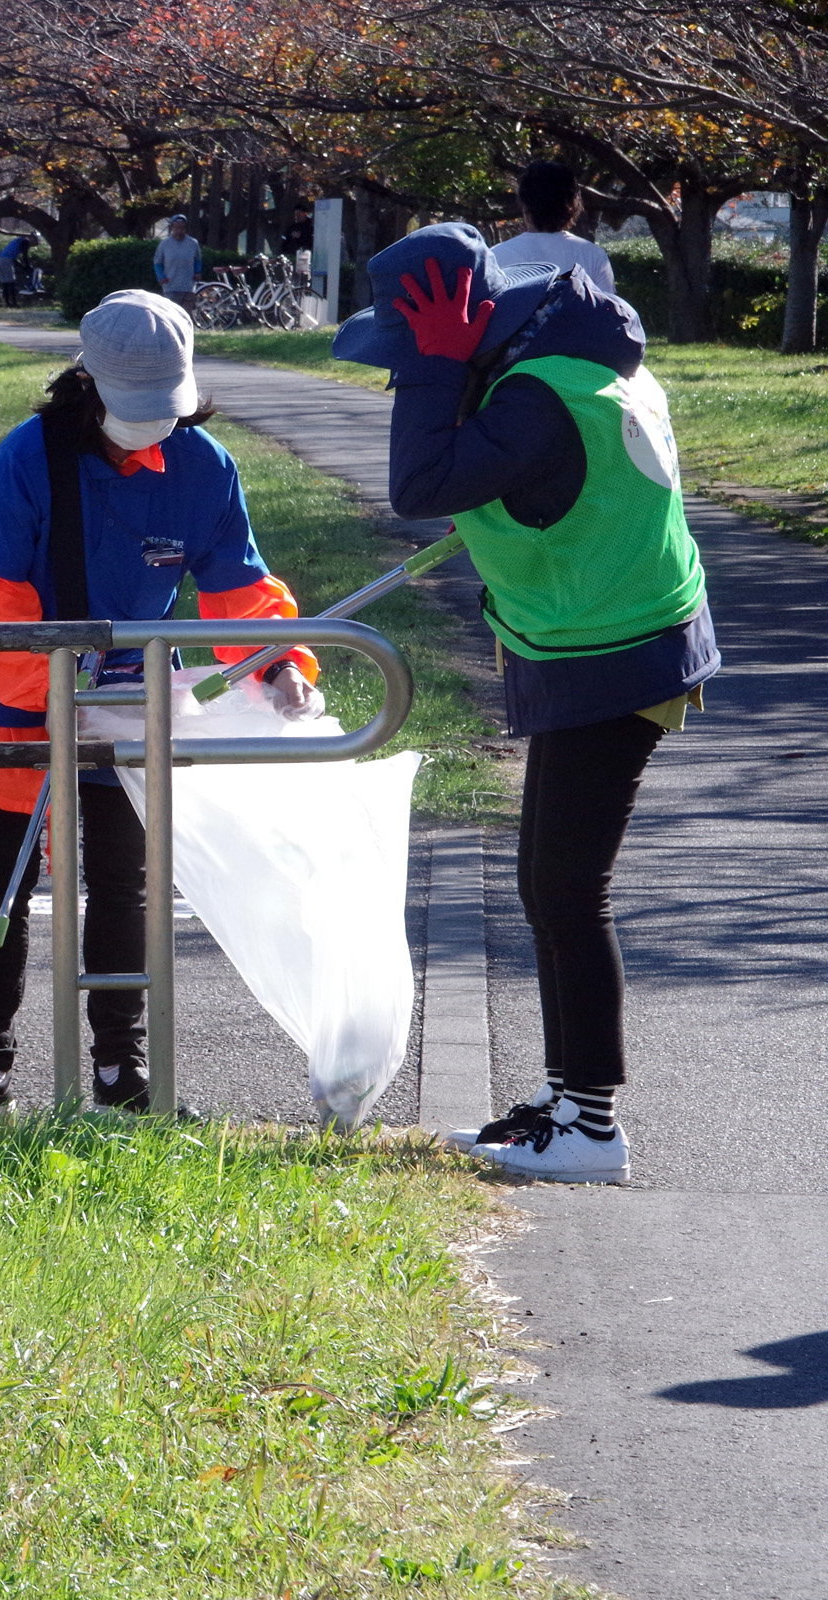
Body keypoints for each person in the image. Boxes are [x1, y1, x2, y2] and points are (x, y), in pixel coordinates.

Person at [336, 222, 714, 1181]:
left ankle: (591, 1127)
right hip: (599, 639)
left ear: (464, 331)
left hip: (620, 650)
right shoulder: (560, 359)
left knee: (566, 891)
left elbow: (419, 483)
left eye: (403, 355)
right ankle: (565, 1098)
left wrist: (436, 369)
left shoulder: (538, 394)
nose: (398, 380)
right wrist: (448, 368)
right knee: (546, 886)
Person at [0, 290, 324, 1113]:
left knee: (125, 879)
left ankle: (121, 1069)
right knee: (1, 877)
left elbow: (240, 589)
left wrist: (278, 663)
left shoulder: (204, 466)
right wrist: (48, 691)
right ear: (90, 383)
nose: (152, 425)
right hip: (15, 705)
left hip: (131, 705)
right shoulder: (25, 459)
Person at [491, 161, 617, 295]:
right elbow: (609, 311)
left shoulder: (495, 257)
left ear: (524, 203)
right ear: (572, 204)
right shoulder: (593, 256)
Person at [153, 214, 202, 308]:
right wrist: (160, 276)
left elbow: (197, 260)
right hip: (171, 287)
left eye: (182, 228)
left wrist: (197, 272)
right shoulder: (164, 244)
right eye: (176, 228)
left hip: (188, 287)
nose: (179, 231)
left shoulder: (193, 243)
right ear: (172, 228)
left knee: (187, 316)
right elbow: (157, 262)